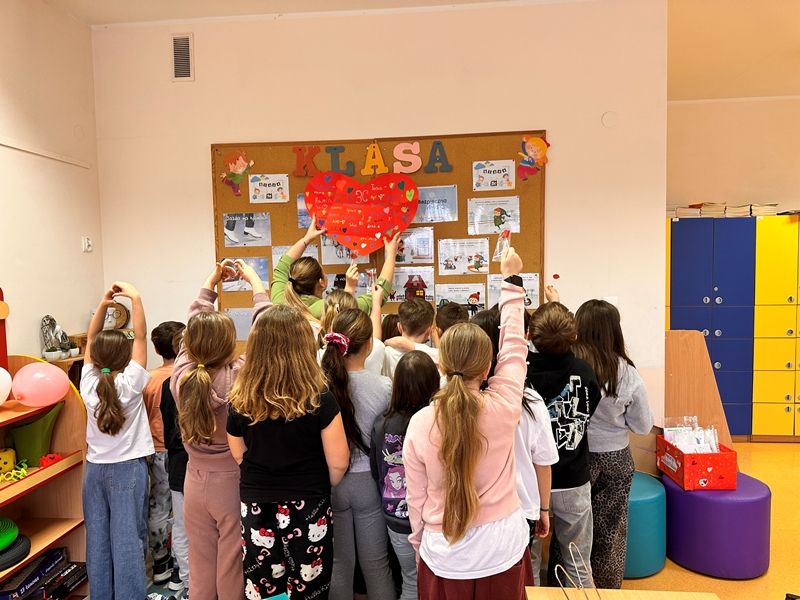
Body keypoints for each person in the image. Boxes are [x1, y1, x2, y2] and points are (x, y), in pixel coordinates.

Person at [404, 248, 533, 599]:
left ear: (441, 365)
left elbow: (416, 499)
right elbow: (515, 348)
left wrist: (419, 545)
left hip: (444, 554)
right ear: (488, 366)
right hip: (502, 550)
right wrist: (511, 282)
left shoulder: (420, 423)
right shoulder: (505, 406)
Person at [227, 304, 350, 600]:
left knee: (265, 588)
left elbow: (239, 453)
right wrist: (317, 484)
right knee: (309, 586)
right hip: (309, 502)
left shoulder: (240, 398)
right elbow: (339, 462)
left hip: (257, 502)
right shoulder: (320, 397)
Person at [170, 259, 271, 600]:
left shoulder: (182, 376)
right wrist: (255, 283)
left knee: (200, 564)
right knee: (232, 562)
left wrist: (210, 282)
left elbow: (194, 323)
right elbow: (265, 335)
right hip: (231, 481)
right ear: (230, 344)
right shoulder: (241, 375)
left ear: (190, 344)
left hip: (194, 481)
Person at [470, 308, 558, 586]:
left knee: (481, 579)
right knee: (521, 577)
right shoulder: (529, 401)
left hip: (475, 508)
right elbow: (542, 462)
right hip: (522, 509)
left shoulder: (459, 402)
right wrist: (544, 509)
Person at [574, 299, 653, 589]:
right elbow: (643, 426)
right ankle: (607, 589)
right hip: (615, 458)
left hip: (576, 457)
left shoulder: (571, 366)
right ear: (614, 331)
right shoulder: (627, 373)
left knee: (572, 526)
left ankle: (567, 587)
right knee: (611, 527)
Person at [80, 281, 152, 599]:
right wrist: (134, 298)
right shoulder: (131, 383)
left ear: (95, 357)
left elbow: (90, 339)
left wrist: (103, 303)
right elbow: (141, 336)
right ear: (126, 357)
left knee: (97, 542)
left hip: (94, 472)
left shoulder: (87, 383)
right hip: (127, 471)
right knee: (128, 542)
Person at [321, 308, 396, 600]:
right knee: (376, 565)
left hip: (332, 481)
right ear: (369, 345)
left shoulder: (320, 387)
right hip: (370, 483)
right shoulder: (384, 387)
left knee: (339, 564)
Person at [526, 301, 601, 588]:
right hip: (573, 478)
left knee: (529, 561)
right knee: (578, 561)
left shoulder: (521, 374)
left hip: (532, 481)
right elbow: (588, 411)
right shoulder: (585, 372)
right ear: (575, 336)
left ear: (530, 337)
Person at [370, 351, 440, 600]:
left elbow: (376, 471)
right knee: (437, 583)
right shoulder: (436, 423)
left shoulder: (382, 424)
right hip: (433, 517)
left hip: (396, 518)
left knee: (410, 579)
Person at [271, 221, 399, 322]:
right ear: (321, 282)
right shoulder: (328, 308)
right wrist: (391, 254)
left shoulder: (280, 302)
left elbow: (281, 268)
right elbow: (378, 295)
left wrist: (306, 238)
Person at [143, 320, 185, 588]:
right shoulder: (185, 376)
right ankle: (180, 565)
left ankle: (160, 564)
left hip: (154, 448)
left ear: (157, 350)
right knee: (181, 510)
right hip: (178, 450)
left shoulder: (147, 379)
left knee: (158, 506)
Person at [159, 330, 190, 598]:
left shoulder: (170, 384)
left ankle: (188, 582)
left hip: (179, 463)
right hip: (196, 465)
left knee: (182, 526)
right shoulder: (217, 381)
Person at [319, 286, 386, 376]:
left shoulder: (319, 357)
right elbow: (376, 340)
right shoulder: (374, 349)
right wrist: (376, 303)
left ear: (325, 316)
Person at [382, 298, 438, 377]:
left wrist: (386, 342)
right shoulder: (437, 357)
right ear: (429, 331)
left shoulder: (384, 354)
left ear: (399, 327)